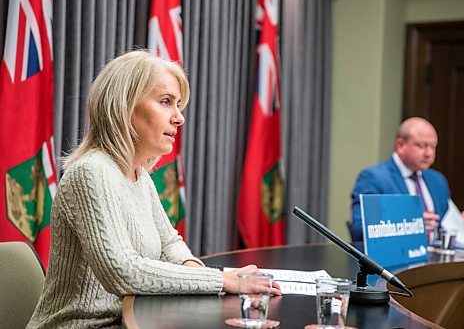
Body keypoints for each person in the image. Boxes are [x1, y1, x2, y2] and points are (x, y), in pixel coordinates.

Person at [27, 50, 280, 329]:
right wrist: (223, 280)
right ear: (123, 106)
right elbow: (120, 271)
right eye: (165, 102)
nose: (179, 118)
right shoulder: (91, 172)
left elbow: (169, 245)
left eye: (178, 105)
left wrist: (204, 276)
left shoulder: (139, 175)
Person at [350, 117, 464, 242]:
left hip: (434, 259)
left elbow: (441, 225)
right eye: (422, 146)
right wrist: (411, 225)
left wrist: (461, 224)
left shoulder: (437, 181)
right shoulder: (374, 178)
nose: (429, 153)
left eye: (433, 147)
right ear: (400, 145)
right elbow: (359, 231)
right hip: (396, 259)